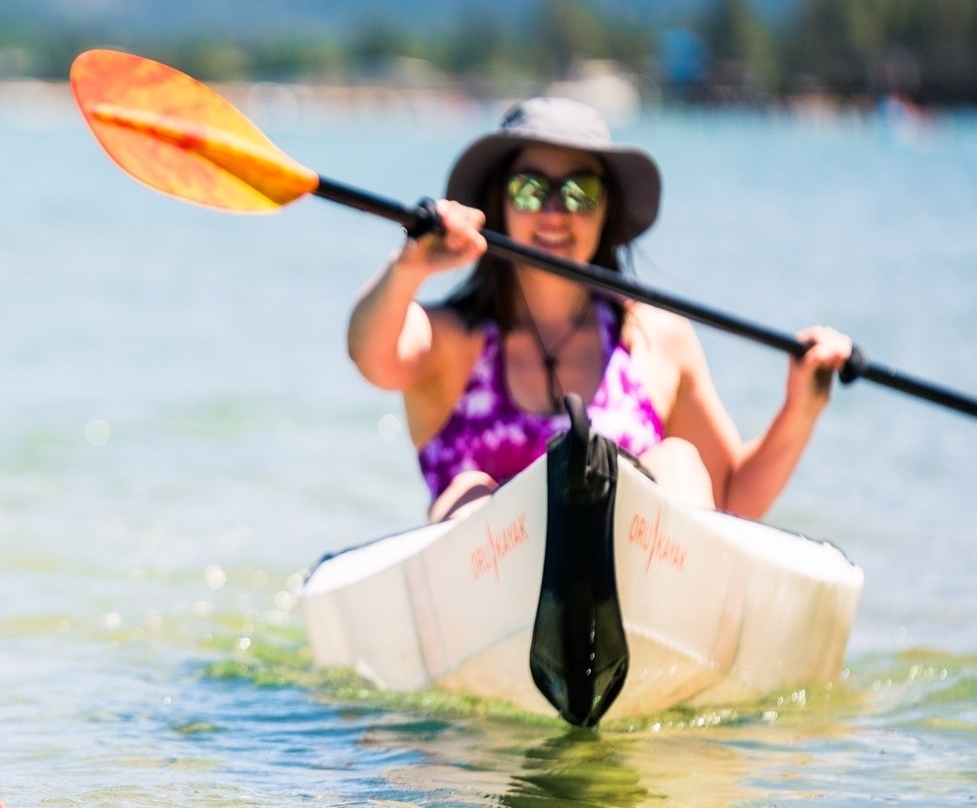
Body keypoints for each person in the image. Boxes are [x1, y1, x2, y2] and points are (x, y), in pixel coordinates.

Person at [346, 97, 852, 523]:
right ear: (500, 202)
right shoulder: (449, 337)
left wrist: (800, 410)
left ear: (607, 209)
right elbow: (370, 354)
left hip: (636, 584)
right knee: (471, 494)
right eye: (529, 190)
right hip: (485, 588)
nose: (554, 212)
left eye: (579, 192)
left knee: (677, 462)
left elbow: (731, 499)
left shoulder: (656, 336)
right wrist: (410, 267)